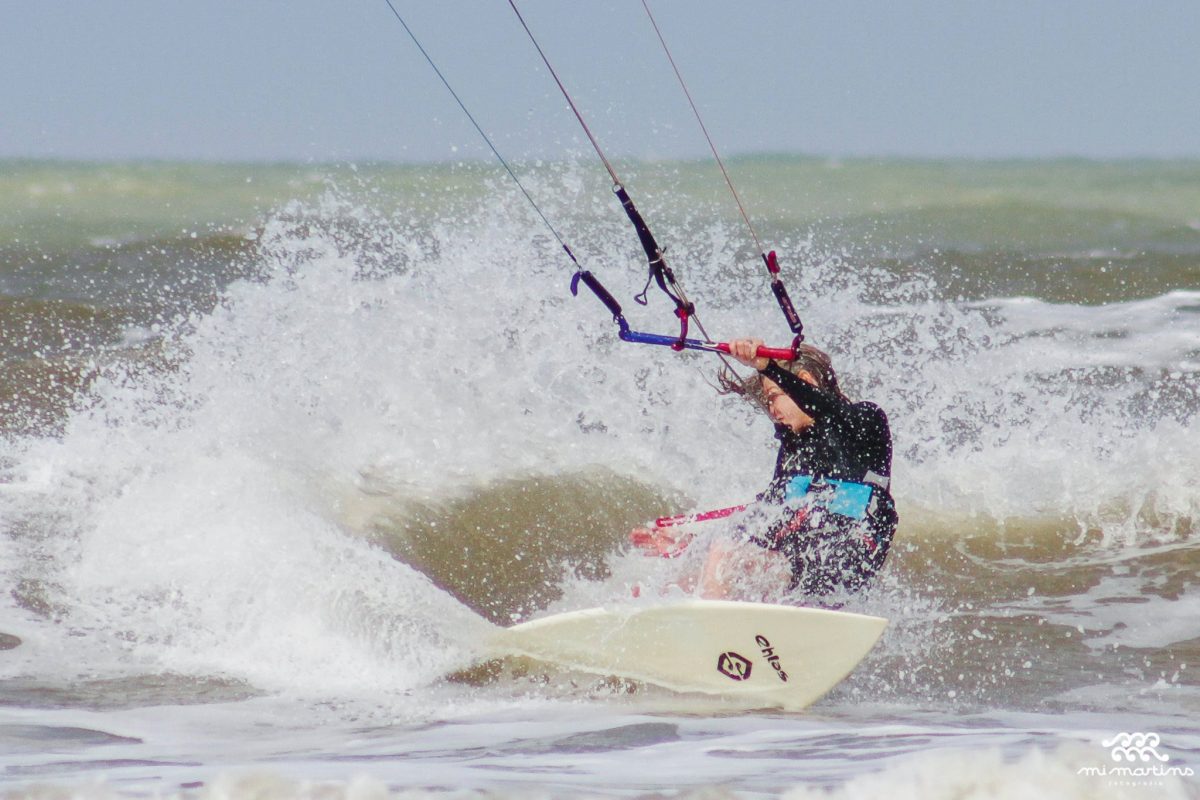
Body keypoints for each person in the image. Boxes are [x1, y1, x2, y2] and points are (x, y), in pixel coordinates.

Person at [634, 338, 897, 600]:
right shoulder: (795, 450)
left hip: (846, 561)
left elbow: (829, 409)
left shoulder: (865, 421)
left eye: (773, 397)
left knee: (726, 556)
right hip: (798, 566)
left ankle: (709, 628)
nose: (772, 410)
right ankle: (656, 614)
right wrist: (691, 545)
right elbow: (766, 517)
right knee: (694, 569)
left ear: (805, 381)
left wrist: (768, 368)